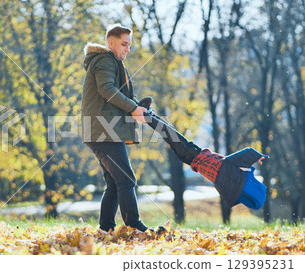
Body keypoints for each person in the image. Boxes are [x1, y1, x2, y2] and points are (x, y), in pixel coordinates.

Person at [138, 97, 268, 209]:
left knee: (169, 133)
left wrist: (257, 156)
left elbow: (246, 152)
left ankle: (146, 114)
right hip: (190, 159)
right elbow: (241, 193)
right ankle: (147, 114)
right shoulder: (227, 188)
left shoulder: (231, 169)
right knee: (168, 134)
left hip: (193, 153)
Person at [81, 24, 151, 232]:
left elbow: (119, 93)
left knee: (114, 182)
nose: (127, 49)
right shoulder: (105, 60)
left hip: (103, 131)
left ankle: (106, 229)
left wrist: (138, 107)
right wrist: (133, 108)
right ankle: (133, 225)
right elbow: (107, 89)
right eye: (124, 44)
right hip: (104, 131)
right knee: (126, 178)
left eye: (129, 45)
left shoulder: (110, 62)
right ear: (110, 43)